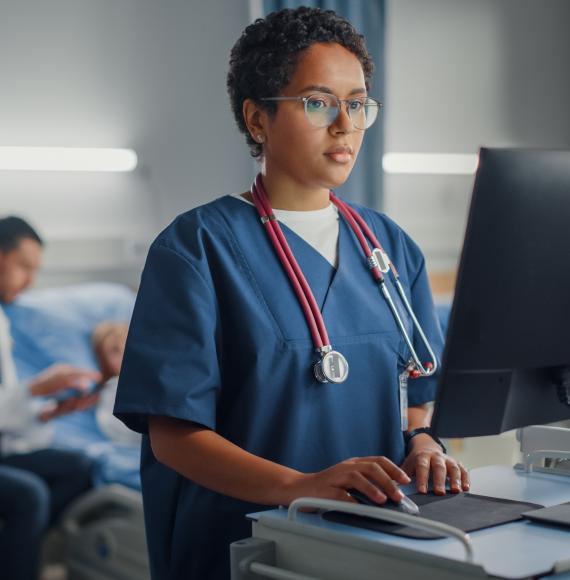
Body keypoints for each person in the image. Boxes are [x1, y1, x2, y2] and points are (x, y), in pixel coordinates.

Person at [114, 7, 470, 579]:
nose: (344, 124)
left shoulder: (391, 247)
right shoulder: (196, 247)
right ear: (257, 120)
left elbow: (416, 396)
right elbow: (174, 437)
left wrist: (424, 445)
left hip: (374, 542)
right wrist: (300, 488)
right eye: (318, 102)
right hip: (245, 546)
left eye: (357, 104)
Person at [0, 216, 101, 580]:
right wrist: (35, 388)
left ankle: (13, 555)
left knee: (79, 467)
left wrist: (48, 411)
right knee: (28, 495)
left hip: (6, 446)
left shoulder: (3, 319)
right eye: (24, 266)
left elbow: (7, 410)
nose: (30, 281)